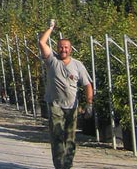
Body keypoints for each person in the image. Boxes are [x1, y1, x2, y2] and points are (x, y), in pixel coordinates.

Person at [39, 19, 94, 169]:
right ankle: (59, 165)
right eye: (61, 47)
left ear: (71, 49)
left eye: (66, 47)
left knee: (70, 139)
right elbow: (42, 43)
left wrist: (89, 103)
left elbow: (88, 84)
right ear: (57, 48)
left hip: (72, 107)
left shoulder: (77, 65)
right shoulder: (52, 61)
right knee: (57, 136)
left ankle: (67, 165)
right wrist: (51, 28)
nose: (63, 49)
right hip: (55, 105)